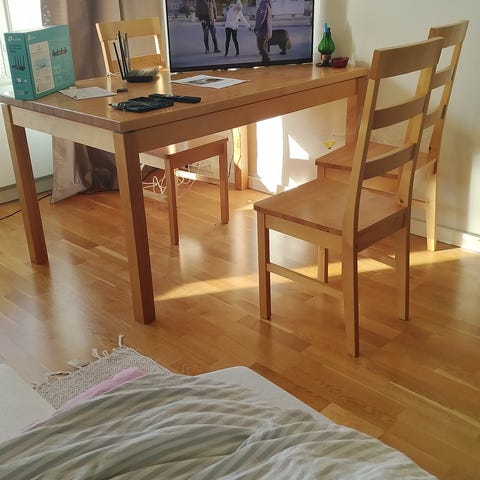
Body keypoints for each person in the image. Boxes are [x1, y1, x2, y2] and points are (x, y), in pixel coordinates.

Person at [254, 0, 272, 64]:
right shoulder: (268, 4)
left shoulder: (264, 5)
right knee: (264, 47)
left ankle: (267, 59)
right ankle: (264, 61)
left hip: (262, 30)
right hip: (267, 30)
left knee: (261, 47)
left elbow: (261, 18)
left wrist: (257, 28)